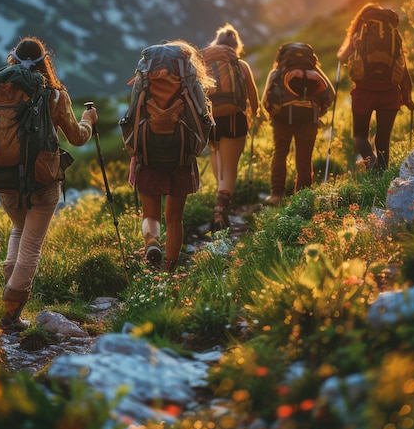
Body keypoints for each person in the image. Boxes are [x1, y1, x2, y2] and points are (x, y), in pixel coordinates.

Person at [0, 36, 98, 332]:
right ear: (44, 63)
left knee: (19, 228)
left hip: (3, 179)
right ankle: (10, 314)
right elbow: (77, 137)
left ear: (12, 60)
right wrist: (90, 120)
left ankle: (9, 304)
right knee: (32, 246)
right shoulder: (54, 95)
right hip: (42, 181)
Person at [127, 40, 214, 273]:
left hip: (148, 154)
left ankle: (152, 243)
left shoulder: (144, 78)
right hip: (181, 156)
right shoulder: (189, 80)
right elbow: (203, 116)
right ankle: (170, 271)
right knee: (174, 219)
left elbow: (132, 113)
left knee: (150, 215)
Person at [337, 3, 414, 171]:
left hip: (364, 94)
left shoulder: (361, 30)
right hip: (390, 93)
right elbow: (403, 66)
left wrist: (343, 54)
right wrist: (407, 97)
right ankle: (382, 175)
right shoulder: (392, 33)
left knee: (360, 136)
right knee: (383, 139)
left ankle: (372, 166)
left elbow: (342, 57)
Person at [202, 23, 261, 230]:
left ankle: (220, 193)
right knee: (230, 168)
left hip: (210, 119)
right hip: (234, 118)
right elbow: (253, 96)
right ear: (236, 45)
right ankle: (220, 208)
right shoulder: (240, 65)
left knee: (216, 154)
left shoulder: (205, 64)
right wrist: (256, 114)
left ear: (216, 44)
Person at [262, 42, 335, 205]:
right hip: (309, 118)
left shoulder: (277, 73)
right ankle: (302, 197)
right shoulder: (315, 73)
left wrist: (274, 114)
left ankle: (277, 195)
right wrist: (318, 111)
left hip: (282, 120)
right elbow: (331, 95)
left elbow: (266, 100)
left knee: (280, 153)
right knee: (304, 157)